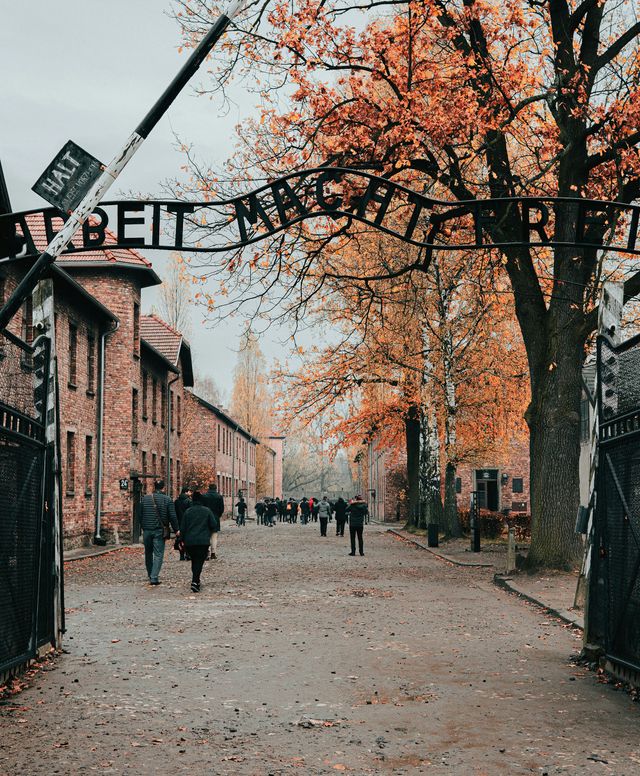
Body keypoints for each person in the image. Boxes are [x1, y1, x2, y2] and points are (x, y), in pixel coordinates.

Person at [140, 480, 179, 585]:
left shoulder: (145, 499)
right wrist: (176, 529)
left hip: (147, 530)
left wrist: (143, 526)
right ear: (163, 488)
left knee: (148, 553)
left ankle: (150, 574)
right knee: (158, 554)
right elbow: (172, 516)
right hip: (159, 530)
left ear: (154, 487)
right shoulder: (167, 500)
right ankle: (154, 577)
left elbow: (140, 514)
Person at [180, 491, 217, 592]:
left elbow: (183, 527)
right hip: (203, 541)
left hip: (190, 541)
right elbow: (214, 525)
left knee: (194, 561)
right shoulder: (207, 511)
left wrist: (180, 540)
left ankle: (196, 580)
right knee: (199, 562)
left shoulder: (188, 511)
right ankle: (195, 581)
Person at [201, 482, 224, 559]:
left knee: (206, 535)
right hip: (215, 517)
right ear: (216, 488)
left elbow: (202, 507)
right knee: (214, 535)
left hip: (205, 517)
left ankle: (207, 552)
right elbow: (222, 509)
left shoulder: (204, 496)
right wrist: (218, 515)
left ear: (209, 488)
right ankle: (213, 553)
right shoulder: (219, 497)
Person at [174, 486, 192, 560]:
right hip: (187, 523)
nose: (190, 493)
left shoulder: (176, 501)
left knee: (180, 539)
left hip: (178, 522)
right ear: (186, 492)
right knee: (188, 539)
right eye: (189, 492)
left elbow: (174, 513)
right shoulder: (189, 501)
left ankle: (181, 556)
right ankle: (187, 554)